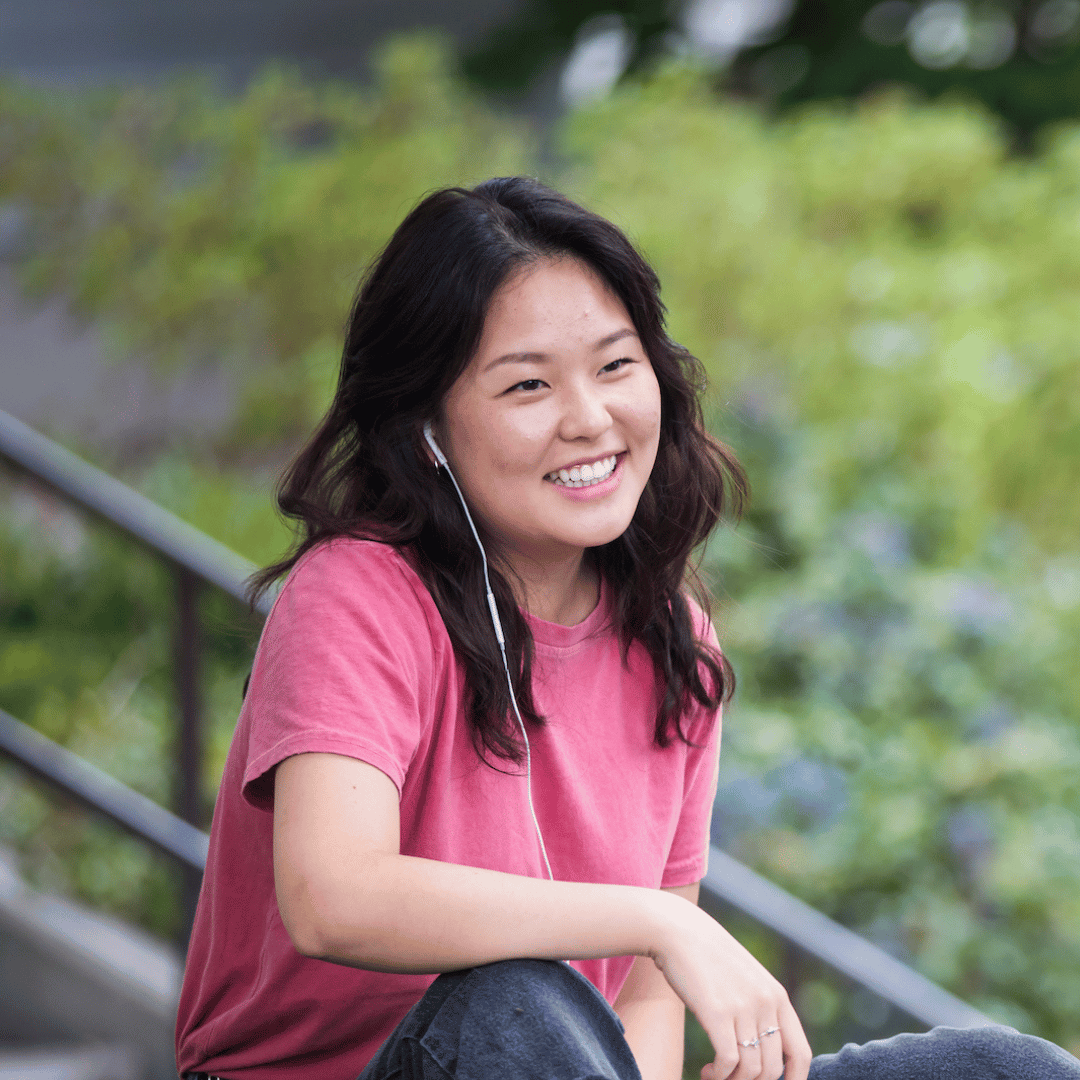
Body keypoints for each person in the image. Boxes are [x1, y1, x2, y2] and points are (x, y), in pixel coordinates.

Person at [175, 177, 1080, 1080]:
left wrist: (656, 946)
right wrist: (657, 918)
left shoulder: (671, 642)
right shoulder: (357, 594)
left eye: (615, 366)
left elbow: (642, 1000)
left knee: (1006, 1070)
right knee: (512, 1001)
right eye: (528, 384)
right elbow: (335, 896)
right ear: (426, 434)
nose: (591, 420)